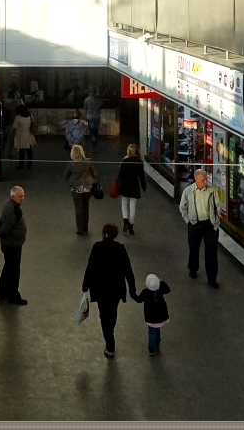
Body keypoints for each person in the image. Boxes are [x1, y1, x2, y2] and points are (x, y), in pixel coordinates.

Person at [81, 223, 137, 358]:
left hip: (100, 289)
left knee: (103, 315)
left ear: (103, 233)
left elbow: (90, 267)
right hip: (116, 290)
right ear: (115, 235)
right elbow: (128, 271)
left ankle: (110, 343)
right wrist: (132, 290)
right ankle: (110, 331)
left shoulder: (97, 247)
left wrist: (85, 285)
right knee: (112, 313)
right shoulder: (120, 249)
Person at [178, 168, 221, 287]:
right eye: (203, 180)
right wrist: (188, 221)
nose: (205, 182)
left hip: (209, 225)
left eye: (206, 180)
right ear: (196, 180)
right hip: (195, 224)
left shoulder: (212, 191)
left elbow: (218, 206)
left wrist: (216, 221)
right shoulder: (188, 191)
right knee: (193, 248)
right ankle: (193, 269)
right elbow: (183, 207)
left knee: (211, 252)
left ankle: (212, 279)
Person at [0, 185, 28, 305]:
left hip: (12, 243)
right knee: (14, 270)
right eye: (19, 196)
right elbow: (7, 226)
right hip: (12, 245)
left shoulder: (11, 205)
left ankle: (2, 291)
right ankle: (13, 296)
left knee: (8, 267)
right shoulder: (11, 210)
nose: (22, 198)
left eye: (23, 196)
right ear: (12, 196)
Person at [129, 273, 171, 356]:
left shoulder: (145, 293)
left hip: (151, 318)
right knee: (157, 330)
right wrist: (162, 282)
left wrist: (132, 294)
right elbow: (168, 290)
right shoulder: (161, 289)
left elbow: (138, 300)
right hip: (160, 316)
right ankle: (157, 345)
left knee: (152, 332)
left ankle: (152, 349)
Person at [64, 143, 99, 235]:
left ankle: (80, 229)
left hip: (76, 188)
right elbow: (95, 174)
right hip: (88, 187)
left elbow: (66, 176)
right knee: (85, 206)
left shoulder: (71, 164)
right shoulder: (88, 162)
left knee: (78, 208)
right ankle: (85, 227)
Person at [117, 143, 147, 235]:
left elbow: (120, 176)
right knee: (133, 205)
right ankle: (131, 226)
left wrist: (118, 182)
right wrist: (143, 186)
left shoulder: (124, 161)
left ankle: (125, 221)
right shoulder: (139, 162)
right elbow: (142, 176)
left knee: (124, 202)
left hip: (125, 185)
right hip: (134, 185)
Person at [12, 105, 36, 170]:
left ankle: (21, 165)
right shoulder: (30, 115)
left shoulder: (17, 117)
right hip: (29, 135)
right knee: (29, 151)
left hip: (21, 136)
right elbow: (33, 122)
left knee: (21, 152)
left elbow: (14, 127)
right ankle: (29, 164)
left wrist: (12, 135)